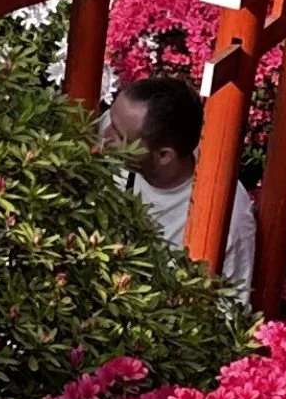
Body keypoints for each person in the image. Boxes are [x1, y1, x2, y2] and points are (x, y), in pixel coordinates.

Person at [107, 73, 255, 304]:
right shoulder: (120, 130)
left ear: (164, 155)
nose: (104, 136)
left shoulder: (227, 214)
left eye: (118, 136)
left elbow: (229, 312)